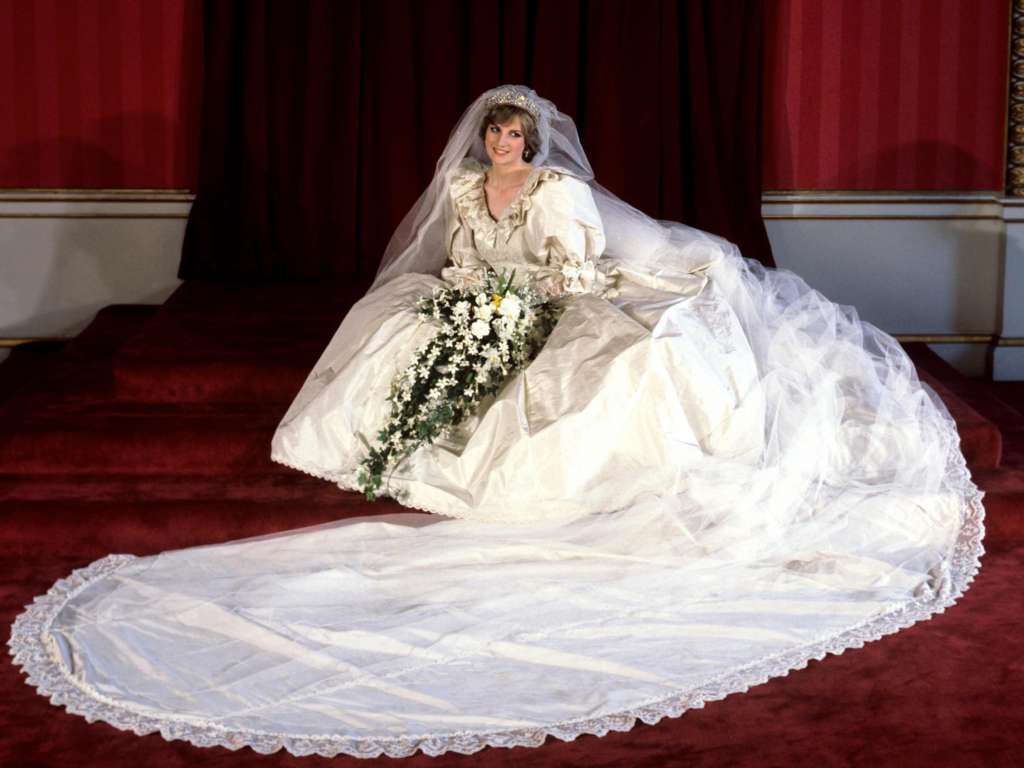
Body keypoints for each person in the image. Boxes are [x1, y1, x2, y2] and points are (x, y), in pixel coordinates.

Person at [10, 85, 985, 760]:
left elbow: (574, 274)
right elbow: (465, 260)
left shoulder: (561, 194)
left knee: (607, 365)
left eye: (516, 136)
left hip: (578, 290)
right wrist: (472, 304)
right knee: (399, 322)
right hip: (501, 298)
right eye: (494, 136)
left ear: (534, 142)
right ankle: (392, 442)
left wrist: (517, 311)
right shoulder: (465, 190)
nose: (504, 148)